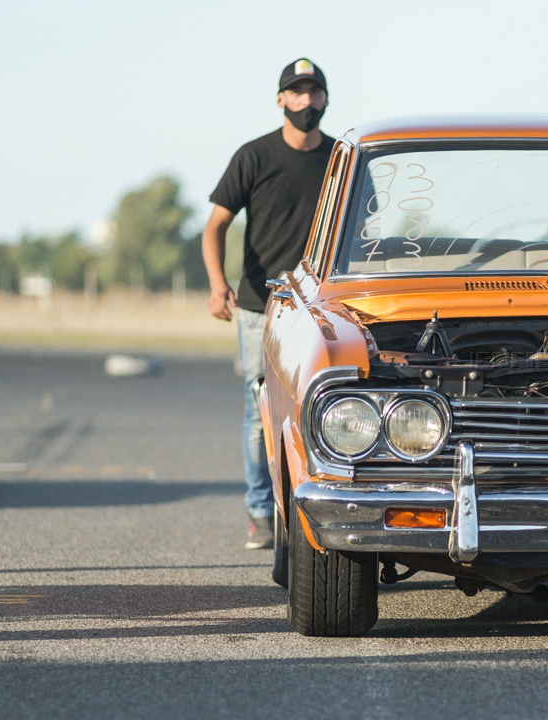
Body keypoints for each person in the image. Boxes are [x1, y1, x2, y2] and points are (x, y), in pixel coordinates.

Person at [201, 58, 336, 549]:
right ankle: (261, 511)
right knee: (259, 409)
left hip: (322, 310)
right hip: (261, 307)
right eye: (297, 93)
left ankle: (316, 507)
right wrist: (218, 285)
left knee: (324, 408)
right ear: (280, 100)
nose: (306, 101)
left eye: (314, 92)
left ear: (326, 99)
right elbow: (214, 226)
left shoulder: (339, 159)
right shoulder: (253, 157)